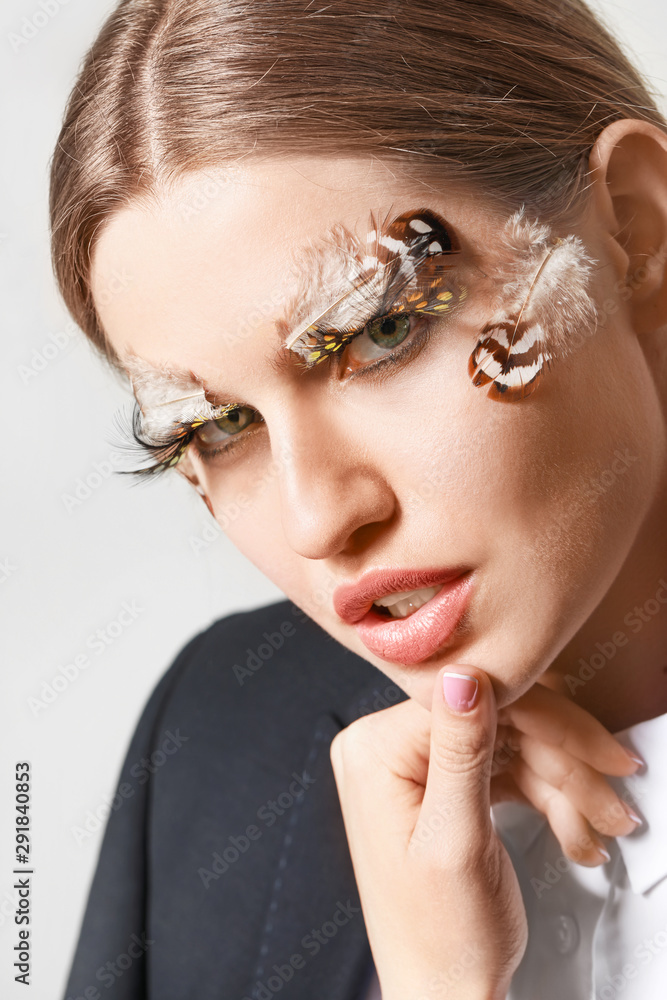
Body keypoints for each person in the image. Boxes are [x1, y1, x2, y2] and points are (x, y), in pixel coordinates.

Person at [49, 1, 667, 997]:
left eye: (379, 334)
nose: (317, 518)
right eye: (217, 426)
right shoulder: (222, 735)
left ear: (634, 231)